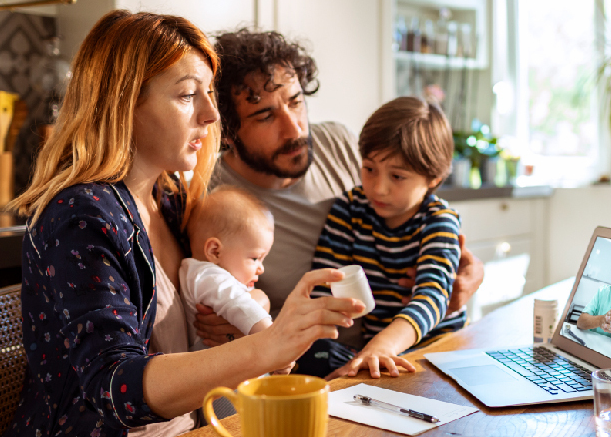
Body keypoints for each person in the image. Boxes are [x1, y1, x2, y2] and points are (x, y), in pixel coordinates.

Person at [1, 10, 362, 437]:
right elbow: (115, 386)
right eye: (189, 94)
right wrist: (265, 346)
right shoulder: (81, 217)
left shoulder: (172, 202)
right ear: (123, 104)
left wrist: (249, 314)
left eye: (208, 94)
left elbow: (222, 297)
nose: (211, 115)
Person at [206, 29, 485, 378]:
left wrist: (466, 275)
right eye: (265, 116)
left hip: (418, 348)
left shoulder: (337, 141)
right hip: (321, 355)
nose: (293, 129)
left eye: (295, 101)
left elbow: (435, 265)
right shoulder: (211, 198)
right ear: (227, 131)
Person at [303, 96, 466, 379]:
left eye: (397, 177)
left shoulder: (439, 220)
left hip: (436, 354)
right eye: (369, 169)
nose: (378, 188)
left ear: (433, 178)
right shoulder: (349, 209)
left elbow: (433, 296)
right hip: (377, 354)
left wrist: (382, 346)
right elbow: (322, 288)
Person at [179, 186, 289, 375]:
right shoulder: (206, 276)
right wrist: (277, 345)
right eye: (255, 258)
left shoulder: (205, 274)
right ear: (215, 251)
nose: (261, 268)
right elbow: (241, 306)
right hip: (218, 384)